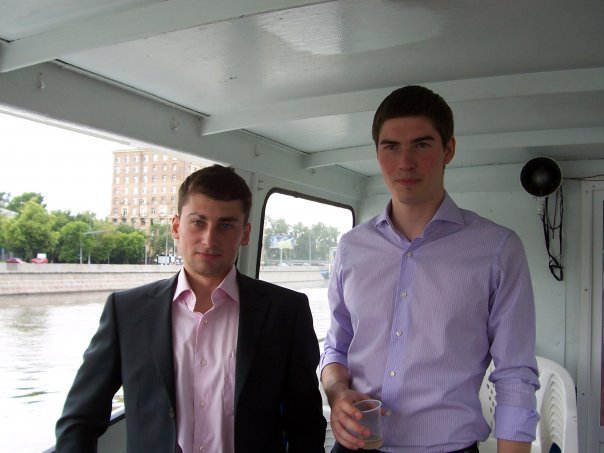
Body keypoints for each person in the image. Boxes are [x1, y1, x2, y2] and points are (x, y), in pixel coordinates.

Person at [320, 86, 540, 453]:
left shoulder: (497, 249)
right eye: (391, 146)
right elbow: (336, 347)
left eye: (421, 145)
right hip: (356, 445)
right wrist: (337, 391)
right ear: (377, 153)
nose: (405, 162)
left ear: (448, 150)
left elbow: (514, 373)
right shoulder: (351, 247)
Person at [56, 164, 326, 452]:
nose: (209, 239)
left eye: (225, 226)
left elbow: (305, 422)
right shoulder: (126, 312)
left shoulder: (286, 312)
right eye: (198, 222)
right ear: (176, 227)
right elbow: (80, 418)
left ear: (245, 233)